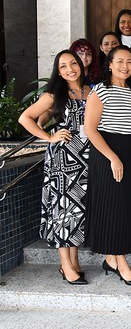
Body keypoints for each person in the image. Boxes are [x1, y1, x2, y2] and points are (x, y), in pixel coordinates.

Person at [18, 50, 91, 285]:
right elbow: (25, 118)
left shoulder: (91, 91)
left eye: (73, 63)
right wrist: (48, 137)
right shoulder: (53, 94)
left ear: (80, 64)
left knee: (77, 211)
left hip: (86, 160)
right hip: (63, 159)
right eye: (63, 66)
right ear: (58, 71)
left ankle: (74, 260)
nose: (70, 69)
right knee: (62, 211)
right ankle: (66, 265)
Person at [83, 45, 131, 286]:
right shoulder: (100, 91)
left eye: (129, 61)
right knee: (113, 206)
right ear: (109, 64)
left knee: (125, 208)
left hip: (128, 153)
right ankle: (121, 262)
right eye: (119, 61)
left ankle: (111, 259)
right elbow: (90, 129)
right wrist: (113, 157)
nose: (125, 66)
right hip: (107, 154)